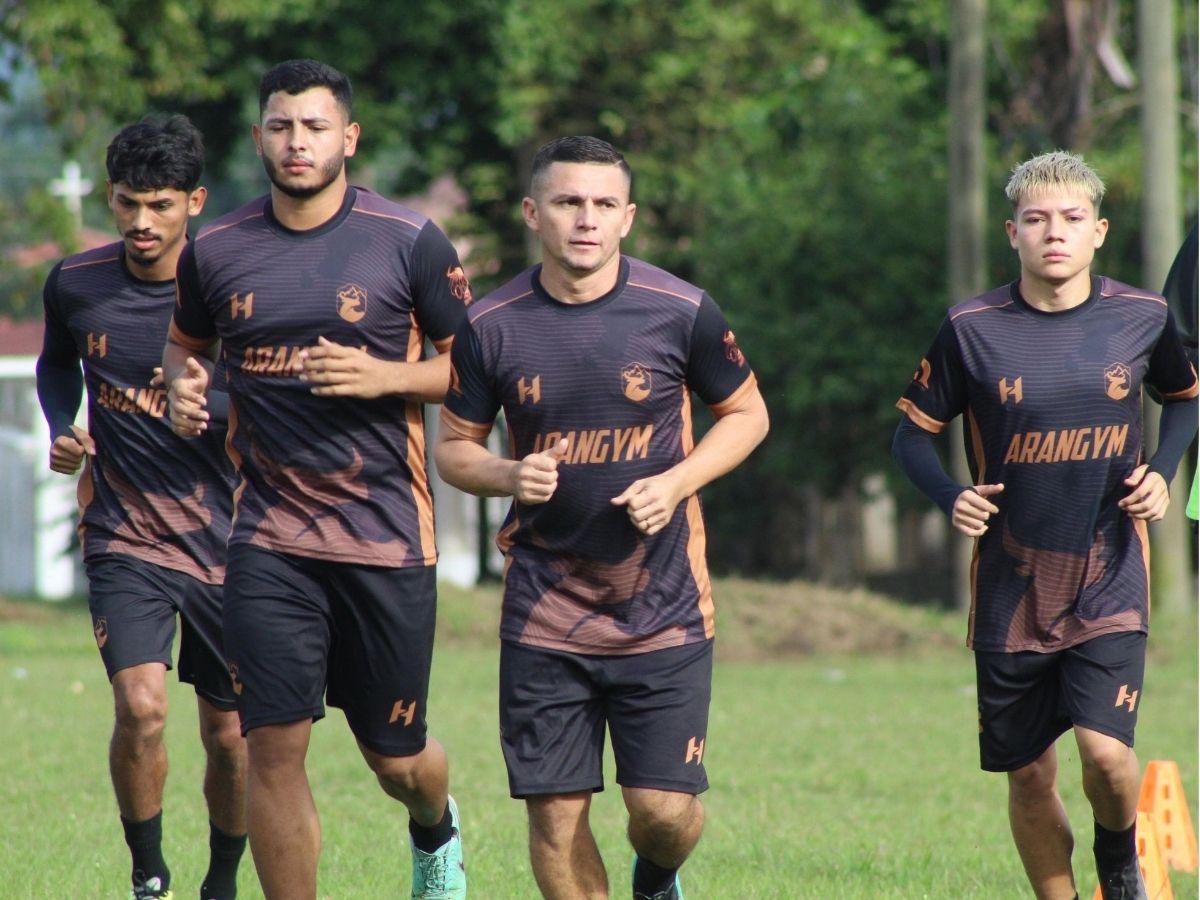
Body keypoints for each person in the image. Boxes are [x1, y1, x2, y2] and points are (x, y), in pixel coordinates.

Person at [162, 59, 469, 899]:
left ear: (349, 138)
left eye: (315, 126)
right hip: (266, 541)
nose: (298, 143)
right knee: (273, 746)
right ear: (261, 135)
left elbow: (472, 370)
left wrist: (386, 379)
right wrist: (186, 397)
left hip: (385, 538)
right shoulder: (216, 249)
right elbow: (185, 349)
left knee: (397, 758)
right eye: (281, 126)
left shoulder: (408, 241)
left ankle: (435, 830)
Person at [435, 135, 769, 900]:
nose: (585, 220)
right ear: (532, 213)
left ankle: (655, 881)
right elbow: (454, 450)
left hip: (664, 608)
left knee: (663, 813)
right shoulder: (491, 324)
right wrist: (508, 473)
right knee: (555, 818)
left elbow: (748, 415)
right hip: (545, 610)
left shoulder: (680, 311)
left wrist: (679, 481)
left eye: (602, 205)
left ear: (628, 219)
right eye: (566, 202)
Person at [892, 151, 1198, 900]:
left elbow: (1186, 398)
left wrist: (1162, 470)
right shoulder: (970, 328)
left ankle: (1120, 861)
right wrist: (947, 494)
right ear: (1012, 233)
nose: (1052, 233)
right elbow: (909, 432)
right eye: (1036, 220)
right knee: (1029, 773)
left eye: (1069, 219)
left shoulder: (1143, 316)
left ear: (1098, 230)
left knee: (1106, 757)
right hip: (1010, 587)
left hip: (1108, 573)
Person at [36, 116, 247, 900]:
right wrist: (64, 431)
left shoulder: (232, 292)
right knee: (142, 706)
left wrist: (214, 409)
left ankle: (221, 881)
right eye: (127, 203)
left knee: (229, 735)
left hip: (233, 541)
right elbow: (58, 367)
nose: (142, 223)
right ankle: (148, 875)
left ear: (194, 201)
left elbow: (276, 396)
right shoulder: (76, 283)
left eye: (160, 204)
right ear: (111, 198)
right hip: (124, 532)